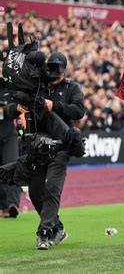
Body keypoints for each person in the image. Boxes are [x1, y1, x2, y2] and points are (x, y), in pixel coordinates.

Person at [9, 52, 85, 250]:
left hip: (62, 144)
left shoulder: (72, 87)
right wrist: (18, 107)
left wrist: (55, 106)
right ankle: (57, 228)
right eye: (50, 71)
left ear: (64, 71)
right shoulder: (38, 86)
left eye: (57, 73)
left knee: (52, 187)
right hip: (38, 145)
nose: (54, 77)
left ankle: (44, 233)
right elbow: (16, 102)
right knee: (35, 191)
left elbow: (79, 111)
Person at [0, 86, 21, 218]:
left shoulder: (10, 87)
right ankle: (4, 207)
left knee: (13, 165)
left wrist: (7, 108)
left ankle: (13, 204)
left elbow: (17, 110)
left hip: (9, 134)